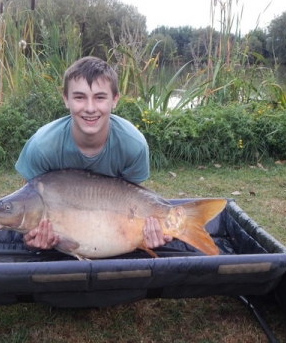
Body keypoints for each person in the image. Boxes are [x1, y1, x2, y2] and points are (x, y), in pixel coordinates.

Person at [15, 56, 172, 252]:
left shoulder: (133, 144)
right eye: (80, 97)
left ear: (114, 100)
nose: (90, 108)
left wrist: (148, 232)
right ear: (66, 99)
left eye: (99, 97)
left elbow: (134, 201)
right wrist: (30, 239)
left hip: (111, 223)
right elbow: (26, 202)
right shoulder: (42, 146)